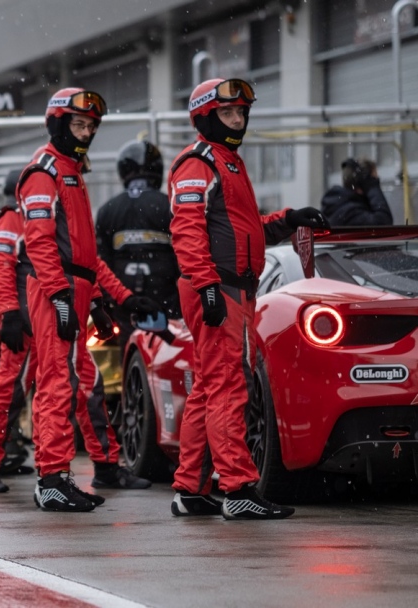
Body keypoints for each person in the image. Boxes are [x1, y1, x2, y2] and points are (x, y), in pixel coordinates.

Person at [169, 78, 329, 520]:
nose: (238, 120)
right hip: (218, 287)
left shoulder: (228, 163)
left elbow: (244, 228)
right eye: (228, 114)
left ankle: (190, 489)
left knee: (208, 388)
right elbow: (187, 230)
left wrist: (287, 220)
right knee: (228, 388)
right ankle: (238, 487)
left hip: (230, 286)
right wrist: (206, 286)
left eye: (242, 113)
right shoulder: (198, 164)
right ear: (205, 116)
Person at [15, 88, 161, 511]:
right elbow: (41, 243)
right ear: (59, 123)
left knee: (78, 382)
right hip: (54, 287)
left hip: (73, 287)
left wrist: (120, 297)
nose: (85, 132)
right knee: (58, 383)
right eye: (78, 124)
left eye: (91, 126)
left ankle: (61, 475)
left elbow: (87, 257)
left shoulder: (72, 172)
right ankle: (51, 478)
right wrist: (60, 296)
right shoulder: (44, 172)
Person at [96, 139, 181, 350]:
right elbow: (186, 257)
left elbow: (100, 262)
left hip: (125, 303)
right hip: (168, 302)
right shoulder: (169, 205)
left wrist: (109, 304)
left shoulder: (108, 210)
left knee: (130, 360)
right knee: (169, 362)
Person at [320, 158, 394, 226]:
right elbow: (383, 223)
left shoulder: (337, 205)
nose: (376, 184)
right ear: (364, 182)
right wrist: (372, 188)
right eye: (374, 180)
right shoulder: (351, 213)